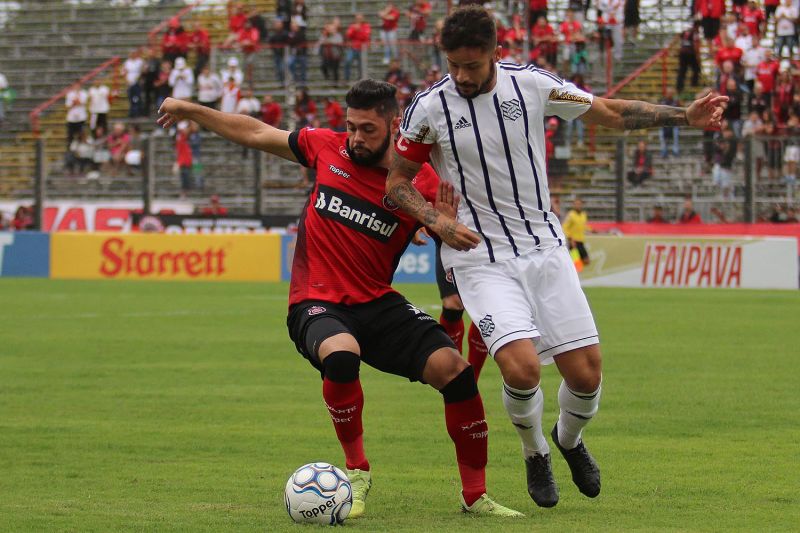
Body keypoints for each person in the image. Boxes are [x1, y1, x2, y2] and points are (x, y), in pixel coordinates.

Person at [386, 5, 726, 509]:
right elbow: (397, 181)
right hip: (481, 257)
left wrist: (683, 116)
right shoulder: (428, 108)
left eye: (472, 66)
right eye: (453, 65)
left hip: (545, 250)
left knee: (586, 376)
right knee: (521, 369)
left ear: (497, 53)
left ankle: (569, 440)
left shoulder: (532, 84)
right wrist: (435, 221)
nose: (461, 76)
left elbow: (609, 112)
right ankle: (536, 451)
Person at [157, 80, 524, 518]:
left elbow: (449, 247)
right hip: (316, 302)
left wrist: (443, 226)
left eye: (367, 129)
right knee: (342, 355)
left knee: (456, 371)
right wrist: (192, 109)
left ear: (394, 125)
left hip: (376, 301)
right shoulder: (325, 148)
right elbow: (255, 133)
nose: (355, 138)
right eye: (351, 126)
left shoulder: (419, 183)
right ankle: (357, 469)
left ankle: (475, 495)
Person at [562, 198, 592, 266]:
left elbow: (584, 225)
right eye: (576, 204)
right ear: (573, 205)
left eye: (579, 204)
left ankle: (576, 272)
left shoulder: (583, 214)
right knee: (576, 264)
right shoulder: (571, 215)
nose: (578, 205)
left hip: (581, 241)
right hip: (574, 242)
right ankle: (575, 274)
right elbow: (564, 227)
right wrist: (570, 238)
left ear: (582, 205)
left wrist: (592, 230)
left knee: (586, 261)